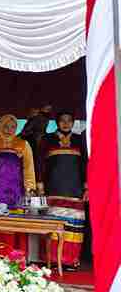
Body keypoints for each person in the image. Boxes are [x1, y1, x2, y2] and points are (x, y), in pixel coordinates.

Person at [38, 112, 87, 268]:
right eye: (62, 121)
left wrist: (87, 187)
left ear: (73, 122)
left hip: (75, 190)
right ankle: (51, 259)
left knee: (74, 226)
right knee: (53, 225)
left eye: (69, 120)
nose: (66, 123)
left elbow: (86, 164)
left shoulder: (80, 140)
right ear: (57, 122)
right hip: (53, 189)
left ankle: (71, 260)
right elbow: (40, 162)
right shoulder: (48, 139)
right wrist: (40, 184)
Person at [0, 114, 37, 211]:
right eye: (6, 126)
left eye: (12, 127)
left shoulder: (23, 144)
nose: (9, 130)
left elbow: (28, 167)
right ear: (0, 126)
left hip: (16, 188)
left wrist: (29, 189)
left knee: (16, 213)